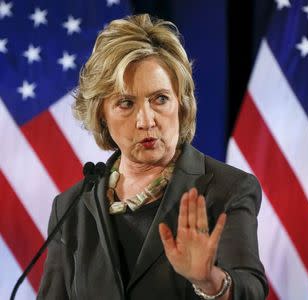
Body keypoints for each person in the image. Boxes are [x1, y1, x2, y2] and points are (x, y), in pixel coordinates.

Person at [37, 14, 268, 300]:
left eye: (160, 99)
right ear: (101, 115)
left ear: (181, 105)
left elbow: (252, 290)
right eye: (126, 103)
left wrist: (210, 281)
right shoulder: (70, 209)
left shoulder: (226, 189)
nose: (146, 120)